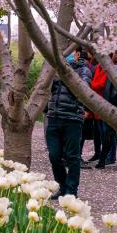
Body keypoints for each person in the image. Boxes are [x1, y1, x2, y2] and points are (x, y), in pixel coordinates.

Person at [45, 48, 92, 199]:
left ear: (78, 54)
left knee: (72, 156)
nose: (70, 56)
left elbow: (83, 90)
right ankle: (62, 186)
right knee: (54, 155)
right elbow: (45, 89)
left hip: (72, 118)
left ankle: (71, 190)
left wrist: (66, 75)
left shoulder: (83, 70)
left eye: (73, 53)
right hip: (53, 117)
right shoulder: (54, 69)